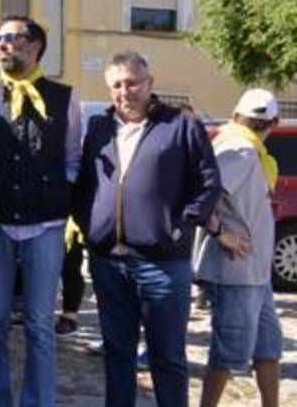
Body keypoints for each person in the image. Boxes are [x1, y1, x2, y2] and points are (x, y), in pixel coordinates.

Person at [73, 50, 220, 407]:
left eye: (133, 82)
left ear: (150, 83)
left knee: (167, 358)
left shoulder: (181, 125)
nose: (126, 91)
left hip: (164, 265)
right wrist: (89, 226)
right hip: (108, 261)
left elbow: (209, 182)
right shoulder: (99, 128)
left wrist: (180, 226)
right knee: (118, 355)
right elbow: (84, 183)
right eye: (117, 85)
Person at [0, 16, 81, 407]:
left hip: (46, 225)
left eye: (12, 38)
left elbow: (71, 159)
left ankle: (38, 401)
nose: (2, 45)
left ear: (35, 47)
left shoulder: (66, 98)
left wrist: (58, 203)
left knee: (38, 323)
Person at [195, 88, 282, 407]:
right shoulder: (240, 150)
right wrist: (221, 234)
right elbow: (202, 195)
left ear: (235, 115)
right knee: (228, 353)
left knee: (268, 348)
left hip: (255, 273)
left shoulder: (243, 147)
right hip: (235, 271)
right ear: (274, 121)